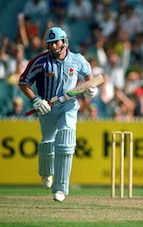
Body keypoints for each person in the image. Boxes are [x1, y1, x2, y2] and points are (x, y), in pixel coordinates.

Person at [18, 27, 98, 202]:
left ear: (65, 42)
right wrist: (36, 101)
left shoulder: (77, 60)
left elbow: (89, 77)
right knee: (48, 143)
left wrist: (90, 89)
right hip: (46, 107)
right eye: (50, 43)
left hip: (68, 106)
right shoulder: (39, 62)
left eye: (56, 42)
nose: (53, 46)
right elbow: (23, 82)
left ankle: (61, 187)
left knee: (66, 140)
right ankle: (46, 172)